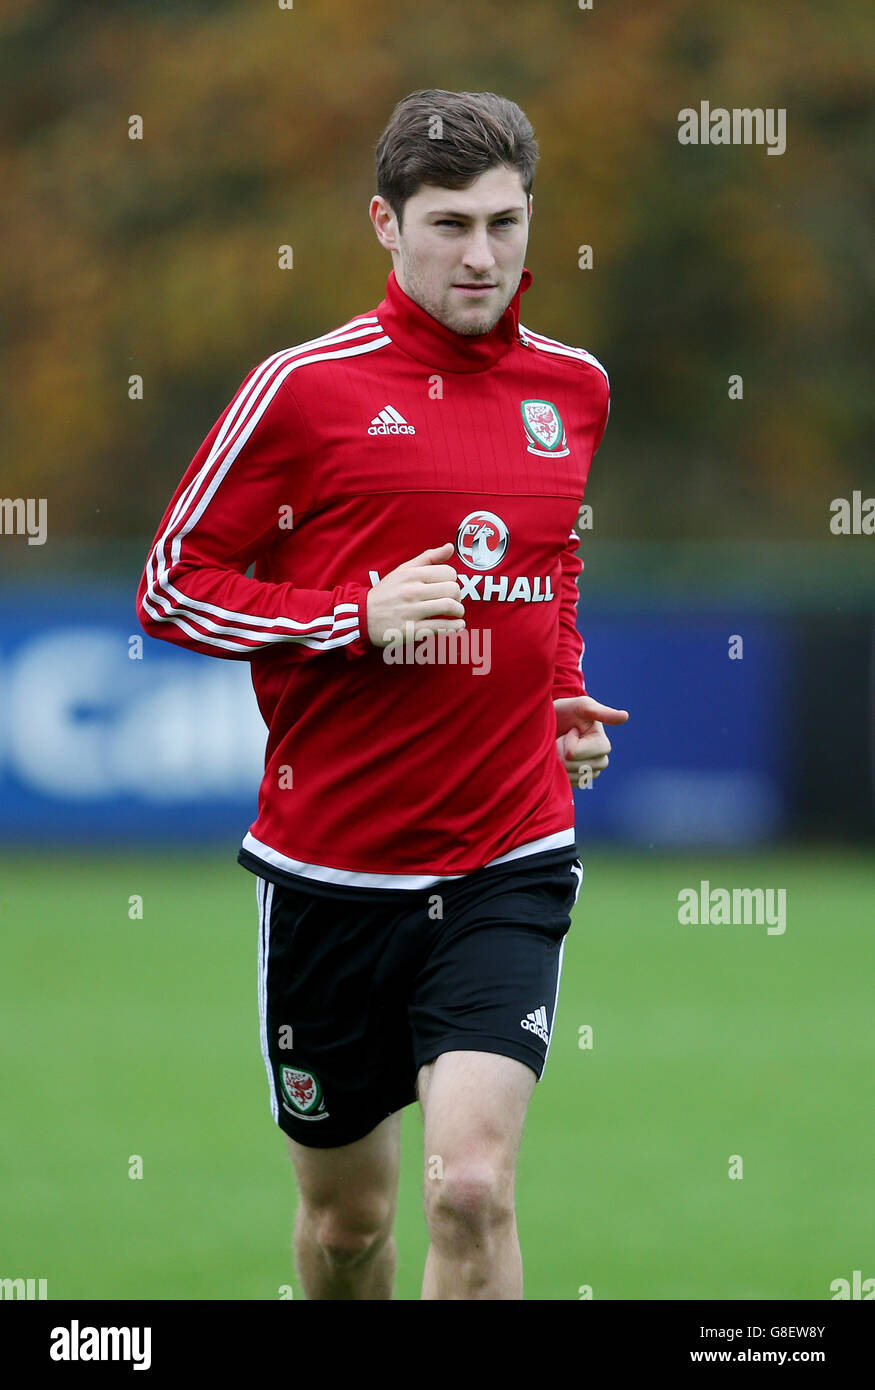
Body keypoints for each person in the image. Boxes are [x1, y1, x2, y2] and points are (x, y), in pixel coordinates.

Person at [136, 87, 628, 1300]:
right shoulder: (302, 390)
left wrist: (562, 690)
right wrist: (345, 615)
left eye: (505, 222)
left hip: (506, 852)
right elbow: (169, 585)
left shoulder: (572, 388)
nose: (482, 254)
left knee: (472, 1185)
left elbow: (551, 557)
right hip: (333, 874)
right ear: (383, 224)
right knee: (348, 1226)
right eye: (450, 222)